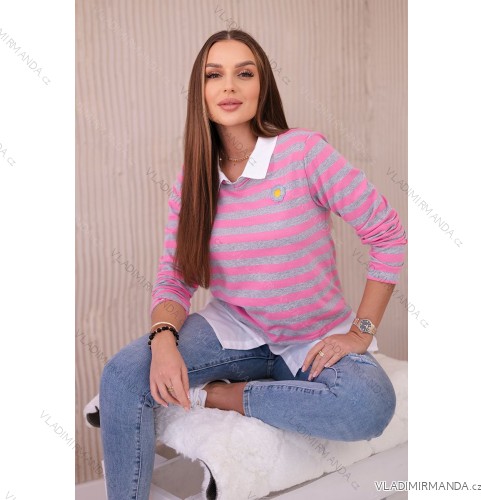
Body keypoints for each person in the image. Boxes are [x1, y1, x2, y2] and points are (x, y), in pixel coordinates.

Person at [99, 29, 407, 500]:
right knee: (122, 374)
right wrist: (164, 339)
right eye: (214, 75)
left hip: (312, 338)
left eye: (244, 73)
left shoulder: (304, 153)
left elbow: (387, 233)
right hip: (235, 332)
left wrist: (360, 331)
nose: (229, 87)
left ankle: (220, 394)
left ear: (262, 86)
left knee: (369, 405)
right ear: (199, 92)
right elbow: (175, 276)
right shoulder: (194, 179)